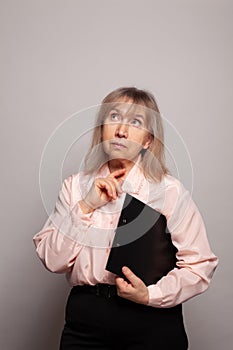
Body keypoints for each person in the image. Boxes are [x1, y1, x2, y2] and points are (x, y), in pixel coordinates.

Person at [33, 87, 218, 350]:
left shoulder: (169, 191)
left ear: (147, 141)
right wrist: (86, 205)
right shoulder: (75, 187)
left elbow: (200, 265)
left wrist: (151, 295)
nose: (122, 130)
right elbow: (53, 261)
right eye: (114, 117)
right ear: (101, 131)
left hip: (152, 323)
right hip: (85, 322)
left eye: (135, 122)